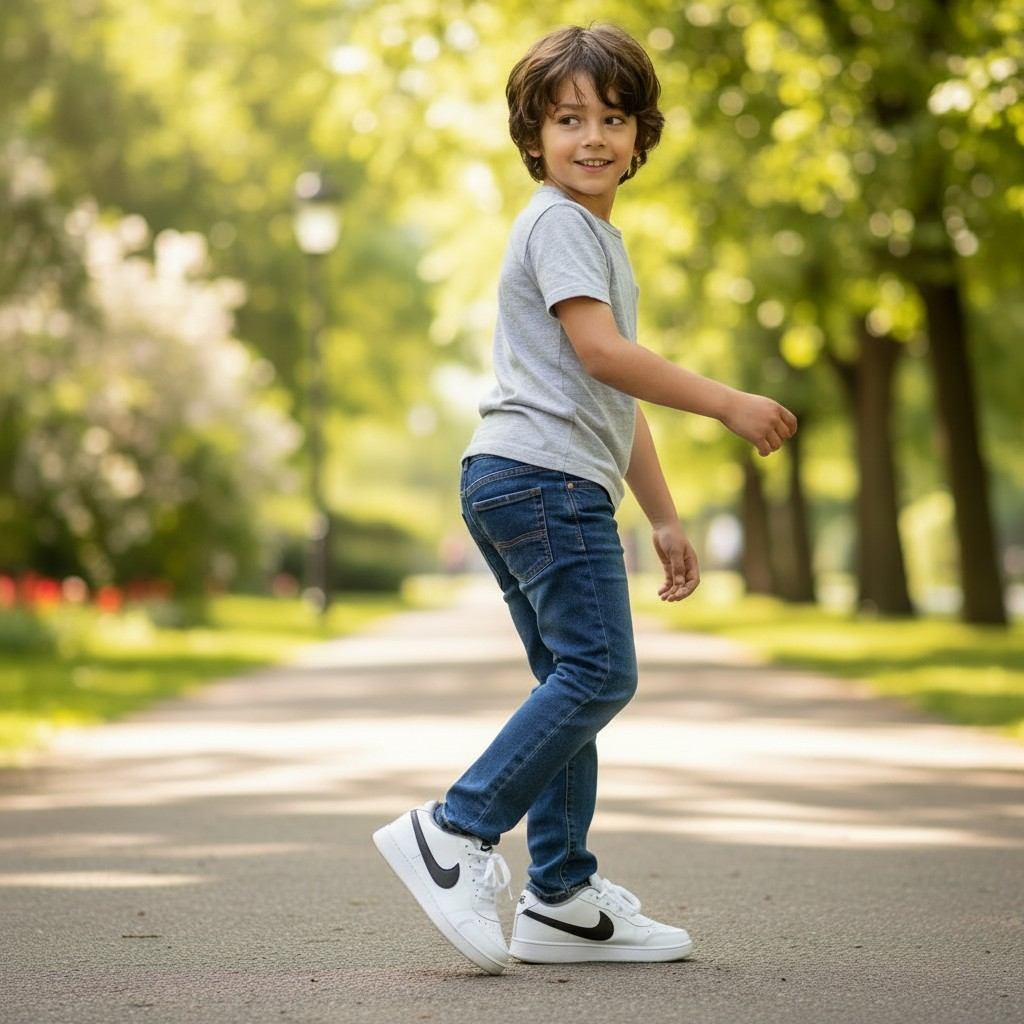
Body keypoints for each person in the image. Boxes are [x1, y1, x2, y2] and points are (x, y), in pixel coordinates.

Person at [373, 23, 797, 975]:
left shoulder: (593, 236)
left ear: (643, 136)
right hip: (543, 479)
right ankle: (456, 828)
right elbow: (610, 358)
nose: (593, 137)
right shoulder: (560, 223)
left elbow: (611, 392)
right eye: (568, 119)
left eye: (613, 117)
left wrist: (663, 514)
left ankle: (560, 897)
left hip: (527, 477)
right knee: (599, 676)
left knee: (571, 682)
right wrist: (728, 403)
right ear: (534, 137)